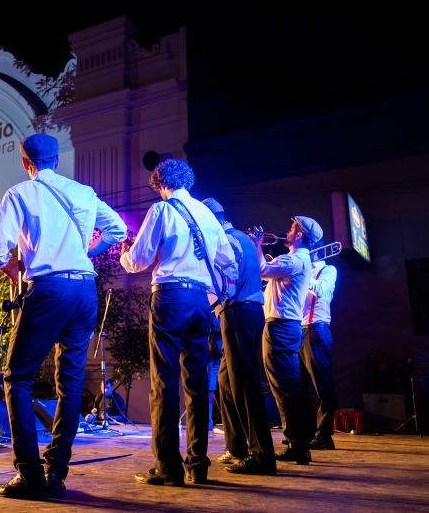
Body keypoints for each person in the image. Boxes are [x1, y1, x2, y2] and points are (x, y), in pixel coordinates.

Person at [0, 133, 127, 500]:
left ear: (24, 162)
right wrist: (87, 250)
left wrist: (10, 266)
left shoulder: (20, 193)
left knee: (17, 377)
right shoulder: (82, 192)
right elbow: (119, 229)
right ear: (56, 160)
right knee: (72, 381)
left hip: (48, 288)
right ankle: (56, 473)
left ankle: (29, 474)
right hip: (84, 290)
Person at [121, 159, 235, 487]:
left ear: (161, 184)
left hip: (170, 298)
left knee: (164, 382)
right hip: (201, 301)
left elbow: (139, 259)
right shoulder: (207, 214)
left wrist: (124, 256)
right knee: (198, 384)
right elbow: (228, 262)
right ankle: (198, 464)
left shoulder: (162, 210)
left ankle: (168, 467)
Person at [201, 198, 276, 475]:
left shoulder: (227, 241)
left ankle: (262, 456)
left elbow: (225, 283)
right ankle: (237, 447)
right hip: (246, 310)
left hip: (238, 311)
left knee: (245, 384)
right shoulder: (242, 238)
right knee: (225, 380)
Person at [252, 216, 321, 465]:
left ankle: (298, 443)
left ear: (300, 234)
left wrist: (256, 244)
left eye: (292, 228)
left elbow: (260, 269)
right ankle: (298, 441)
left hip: (280, 327)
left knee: (284, 388)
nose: (287, 230)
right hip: (286, 327)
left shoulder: (294, 259)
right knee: (287, 386)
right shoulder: (296, 260)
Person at [300, 249, 339, 450]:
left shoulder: (328, 270)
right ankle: (305, 435)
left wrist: (303, 270)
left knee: (322, 385)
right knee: (301, 387)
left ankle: (324, 435)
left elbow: (321, 290)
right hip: (300, 329)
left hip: (317, 328)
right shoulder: (303, 269)